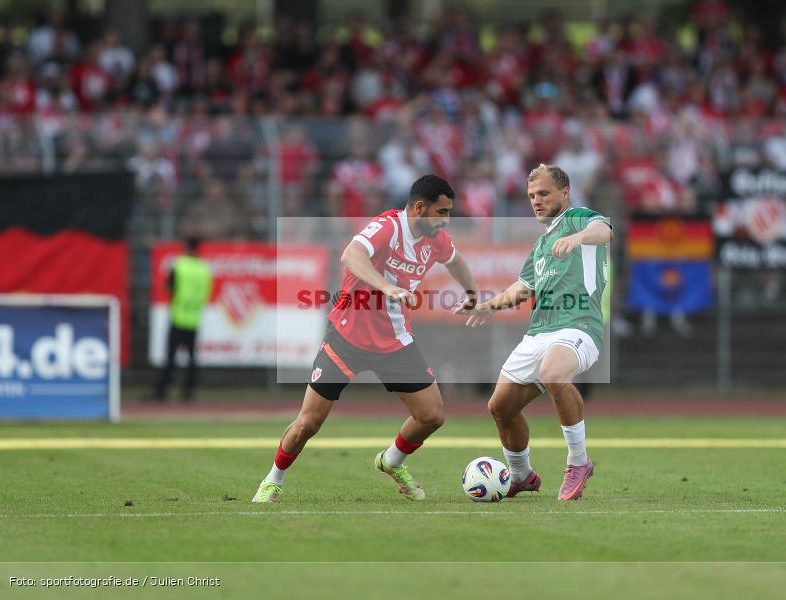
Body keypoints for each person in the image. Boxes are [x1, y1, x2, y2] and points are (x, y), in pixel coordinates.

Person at [252, 174, 479, 503]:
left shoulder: (437, 239)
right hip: (347, 338)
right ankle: (273, 479)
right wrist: (385, 286)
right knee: (309, 423)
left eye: (449, 213)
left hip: (396, 342)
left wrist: (471, 293)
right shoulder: (388, 226)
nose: (446, 221)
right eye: (441, 212)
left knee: (432, 416)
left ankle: (392, 461)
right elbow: (351, 254)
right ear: (419, 208)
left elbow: (455, 260)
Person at [455, 164, 613, 501]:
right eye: (531, 196)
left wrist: (577, 237)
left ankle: (579, 462)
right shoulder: (542, 244)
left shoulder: (579, 219)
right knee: (500, 407)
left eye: (543, 193)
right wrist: (489, 306)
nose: (536, 201)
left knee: (554, 373)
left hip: (579, 324)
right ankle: (521, 475)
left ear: (565, 193)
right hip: (539, 332)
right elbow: (523, 287)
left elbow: (604, 230)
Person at [154, 237, 213, 401]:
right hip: (194, 318)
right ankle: (188, 391)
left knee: (170, 357)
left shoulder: (179, 265)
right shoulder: (203, 269)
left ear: (186, 248)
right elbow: (207, 292)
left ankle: (162, 390)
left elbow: (169, 287)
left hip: (179, 317)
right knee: (192, 358)